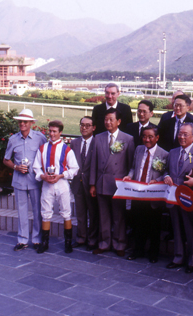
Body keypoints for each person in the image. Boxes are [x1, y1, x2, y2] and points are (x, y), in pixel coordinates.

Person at [89, 108, 135, 256]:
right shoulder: (98, 138)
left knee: (118, 217)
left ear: (118, 121)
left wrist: (128, 181)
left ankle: (119, 244)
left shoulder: (128, 139)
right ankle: (104, 243)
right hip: (101, 182)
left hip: (118, 184)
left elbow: (131, 164)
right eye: (106, 119)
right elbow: (93, 163)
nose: (108, 122)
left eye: (111, 120)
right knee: (103, 216)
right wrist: (92, 184)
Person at [163, 123, 193, 273]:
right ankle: (178, 257)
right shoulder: (173, 152)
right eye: (180, 134)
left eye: (185, 134)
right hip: (173, 197)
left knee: (191, 230)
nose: (181, 137)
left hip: (190, 198)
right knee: (176, 228)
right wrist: (166, 176)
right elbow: (166, 170)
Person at [3, 109, 47, 251]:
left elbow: (46, 156)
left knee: (37, 210)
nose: (22, 124)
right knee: (21, 211)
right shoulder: (13, 139)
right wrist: (16, 167)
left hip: (35, 181)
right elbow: (6, 160)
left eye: (25, 122)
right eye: (20, 121)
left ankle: (37, 239)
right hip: (19, 181)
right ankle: (22, 240)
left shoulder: (40, 138)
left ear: (31, 123)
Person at [123, 126, 168, 263]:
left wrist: (158, 180)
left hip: (153, 195)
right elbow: (133, 168)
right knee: (138, 224)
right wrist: (129, 176)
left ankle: (153, 253)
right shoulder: (138, 149)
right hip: (138, 193)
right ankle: (138, 250)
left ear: (157, 138)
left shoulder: (164, 154)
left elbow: (166, 173)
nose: (147, 140)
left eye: (150, 137)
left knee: (154, 226)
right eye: (144, 136)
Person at [33, 120, 79, 254]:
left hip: (62, 183)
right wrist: (43, 176)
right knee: (45, 212)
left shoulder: (66, 149)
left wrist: (61, 175)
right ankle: (45, 243)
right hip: (47, 184)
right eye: (50, 131)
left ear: (60, 133)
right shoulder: (42, 148)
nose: (52, 134)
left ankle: (68, 243)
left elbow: (75, 169)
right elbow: (36, 167)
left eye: (55, 131)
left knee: (66, 212)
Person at [70, 117, 99, 250]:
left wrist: (94, 184)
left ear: (94, 128)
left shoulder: (97, 142)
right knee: (80, 213)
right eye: (82, 125)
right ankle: (81, 237)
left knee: (93, 213)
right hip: (78, 183)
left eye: (88, 125)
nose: (84, 128)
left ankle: (92, 240)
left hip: (91, 184)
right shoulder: (74, 143)